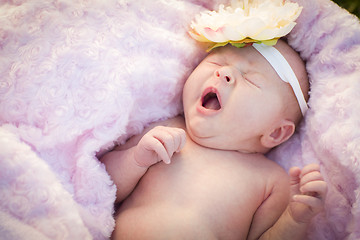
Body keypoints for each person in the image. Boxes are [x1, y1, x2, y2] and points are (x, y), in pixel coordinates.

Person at [100, 39, 327, 239]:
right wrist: (135, 160)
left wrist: (293, 220)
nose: (224, 73)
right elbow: (103, 186)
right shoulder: (163, 131)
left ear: (275, 132)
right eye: (217, 62)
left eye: (251, 80)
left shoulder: (271, 180)